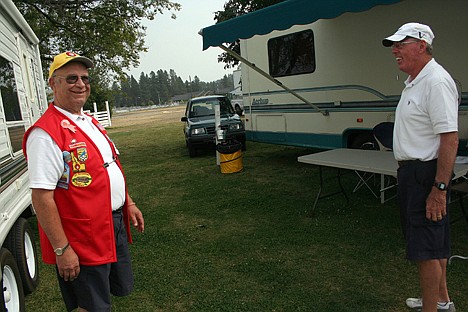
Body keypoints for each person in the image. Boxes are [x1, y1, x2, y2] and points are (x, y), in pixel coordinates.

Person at [23, 51, 145, 312]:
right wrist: (62, 249)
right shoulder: (45, 134)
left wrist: (129, 202)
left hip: (111, 224)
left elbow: (108, 165)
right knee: (89, 304)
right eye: (71, 78)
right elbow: (42, 198)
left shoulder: (88, 121)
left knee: (104, 295)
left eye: (85, 78)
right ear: (53, 83)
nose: (80, 84)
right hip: (81, 236)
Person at [382, 23, 458, 312]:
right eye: (394, 45)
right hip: (413, 174)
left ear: (422, 45)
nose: (395, 50)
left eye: (401, 44)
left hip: (426, 175)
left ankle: (431, 308)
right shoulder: (416, 81)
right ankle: (441, 301)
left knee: (425, 250)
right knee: (432, 244)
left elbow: (449, 139)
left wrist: (439, 188)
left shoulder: (435, 81)